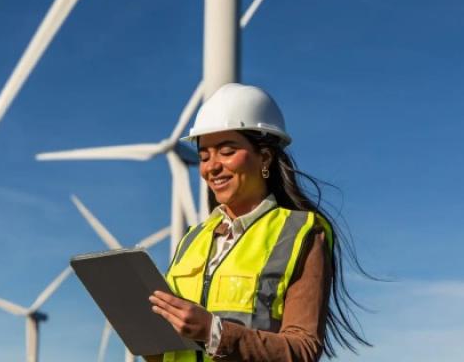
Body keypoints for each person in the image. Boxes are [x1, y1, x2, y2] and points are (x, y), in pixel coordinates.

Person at [147, 83, 370, 361]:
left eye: (227, 152)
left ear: (264, 157)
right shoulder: (192, 239)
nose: (211, 166)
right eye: (204, 156)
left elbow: (302, 350)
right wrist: (142, 333)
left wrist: (213, 333)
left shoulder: (300, 233)